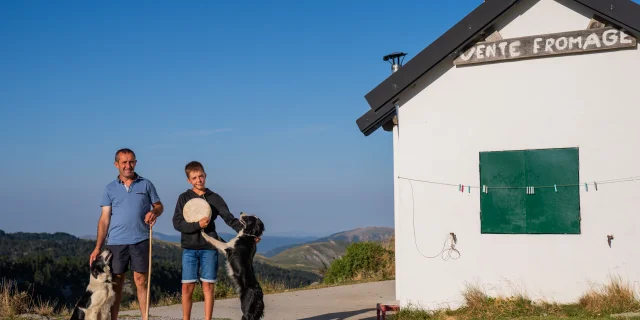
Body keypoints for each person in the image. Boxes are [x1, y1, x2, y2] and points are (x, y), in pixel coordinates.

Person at [172, 161, 260, 320]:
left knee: (208, 286)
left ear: (205, 175)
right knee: (186, 288)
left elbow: (230, 219)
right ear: (189, 180)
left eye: (201, 176)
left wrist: (250, 235)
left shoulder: (215, 198)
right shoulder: (184, 198)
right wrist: (196, 225)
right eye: (194, 178)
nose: (198, 180)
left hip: (209, 248)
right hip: (189, 248)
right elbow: (177, 223)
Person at [89, 148, 164, 320]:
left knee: (141, 281)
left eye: (131, 162)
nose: (128, 165)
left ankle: (145, 318)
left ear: (135, 163)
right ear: (117, 165)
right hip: (116, 242)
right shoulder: (109, 189)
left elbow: (159, 206)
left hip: (141, 239)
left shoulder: (146, 184)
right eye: (124, 162)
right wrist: (97, 247)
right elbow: (104, 220)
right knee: (116, 285)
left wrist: (155, 212)